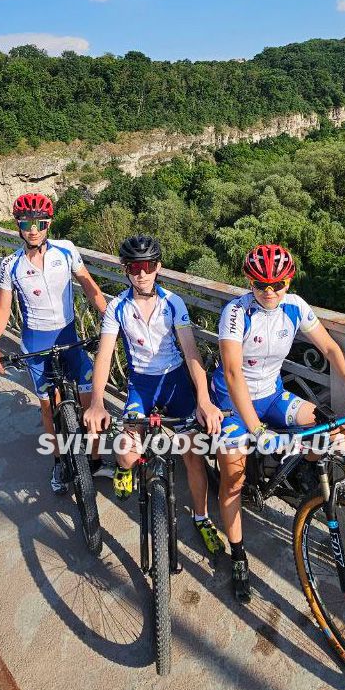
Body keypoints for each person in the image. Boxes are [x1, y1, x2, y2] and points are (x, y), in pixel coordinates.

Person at [212, 243, 345, 603]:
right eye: (260, 285)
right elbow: (233, 373)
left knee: (339, 437)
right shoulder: (236, 312)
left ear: (289, 281)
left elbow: (330, 349)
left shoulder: (295, 306)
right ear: (249, 282)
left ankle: (327, 503)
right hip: (232, 403)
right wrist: (256, 431)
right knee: (232, 477)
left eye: (278, 285)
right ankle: (237, 555)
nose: (269, 292)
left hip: (272, 394)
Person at [83, 235, 226, 555]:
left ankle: (202, 519)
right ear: (126, 270)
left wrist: (203, 399)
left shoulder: (173, 302)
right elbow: (104, 356)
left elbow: (191, 354)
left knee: (193, 454)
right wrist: (96, 402)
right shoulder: (117, 307)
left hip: (175, 382)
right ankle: (122, 469)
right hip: (141, 385)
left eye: (148, 266)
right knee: (128, 453)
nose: (142, 274)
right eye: (134, 267)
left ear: (158, 267)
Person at [0, 192, 107, 493]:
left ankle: (95, 459)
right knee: (48, 409)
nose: (33, 229)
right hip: (35, 343)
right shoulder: (9, 264)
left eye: (40, 222)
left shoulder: (66, 251)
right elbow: (3, 308)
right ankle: (58, 462)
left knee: (91, 402)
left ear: (49, 223)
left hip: (69, 336)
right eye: (26, 223)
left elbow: (90, 287)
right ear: (18, 225)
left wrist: (108, 316)